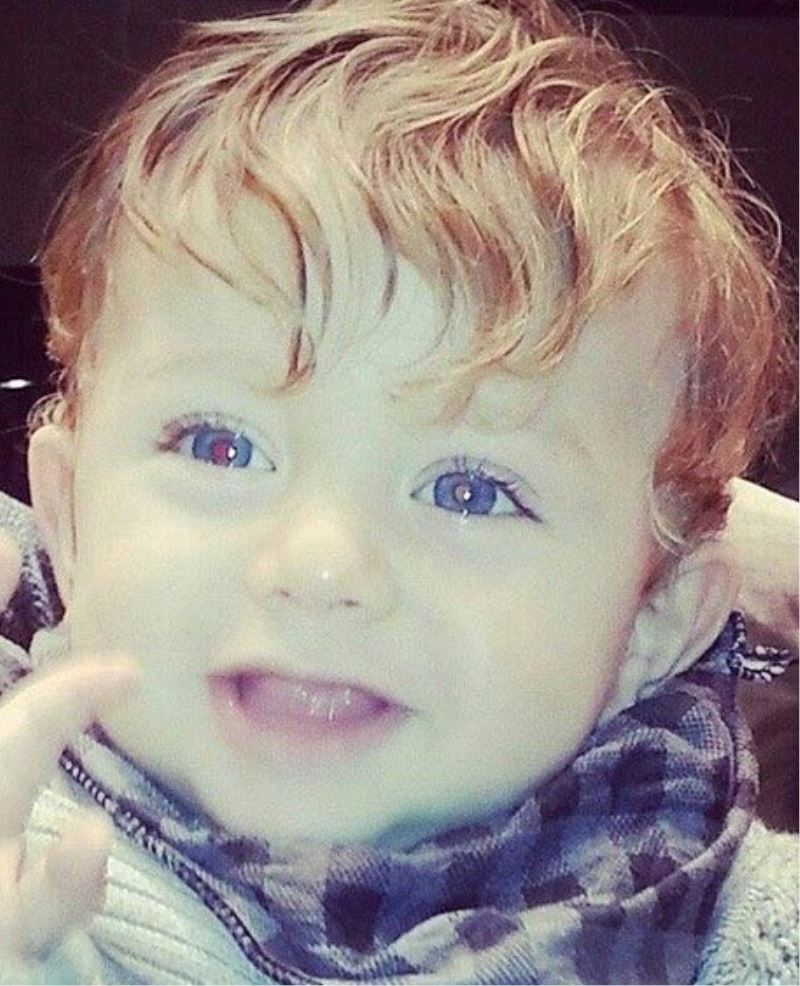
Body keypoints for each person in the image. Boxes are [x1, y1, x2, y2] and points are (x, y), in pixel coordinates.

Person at [0, 0, 797, 982]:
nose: (320, 565)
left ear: (654, 621)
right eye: (220, 445)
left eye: (468, 491)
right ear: (70, 517)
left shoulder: (751, 941)